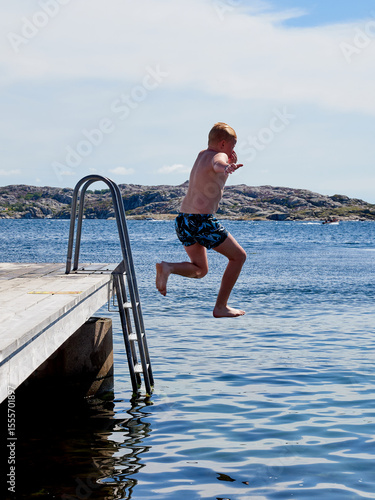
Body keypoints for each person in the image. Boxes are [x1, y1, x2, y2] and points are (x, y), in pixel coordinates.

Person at [156, 122, 247, 318]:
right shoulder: (220, 156)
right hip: (201, 220)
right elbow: (218, 163)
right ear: (223, 144)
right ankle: (220, 307)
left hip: (184, 220)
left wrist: (224, 164)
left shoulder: (201, 155)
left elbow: (212, 163)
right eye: (232, 145)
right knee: (239, 257)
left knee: (200, 270)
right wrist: (227, 167)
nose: (233, 150)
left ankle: (168, 267)